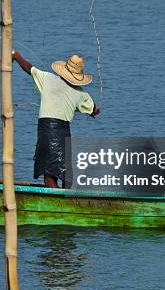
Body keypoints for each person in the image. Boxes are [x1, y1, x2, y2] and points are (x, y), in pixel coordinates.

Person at [12, 51, 100, 188]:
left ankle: (58, 199)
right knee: (64, 172)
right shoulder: (81, 93)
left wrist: (16, 56)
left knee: (50, 170)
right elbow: (93, 110)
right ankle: (61, 199)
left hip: (46, 128)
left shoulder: (47, 78)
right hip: (61, 129)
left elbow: (29, 68)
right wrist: (93, 111)